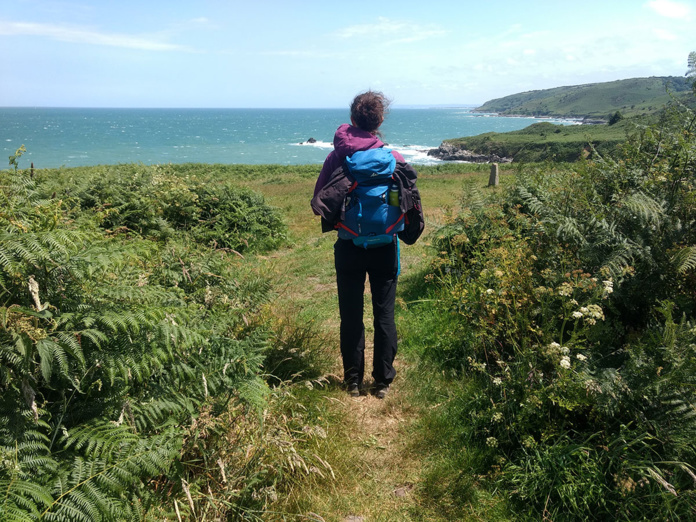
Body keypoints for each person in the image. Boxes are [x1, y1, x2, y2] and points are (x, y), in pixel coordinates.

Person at [311, 91, 424, 399]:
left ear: (352, 119)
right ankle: (383, 381)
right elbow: (410, 199)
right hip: (385, 246)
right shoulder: (393, 158)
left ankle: (352, 381)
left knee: (351, 315)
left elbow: (321, 199)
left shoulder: (337, 156)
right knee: (384, 314)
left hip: (349, 246)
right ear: (380, 120)